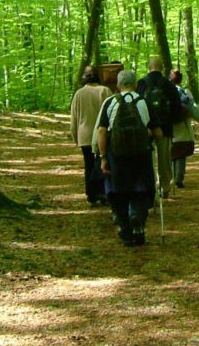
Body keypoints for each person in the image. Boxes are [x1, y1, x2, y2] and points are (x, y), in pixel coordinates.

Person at [96, 69, 164, 246]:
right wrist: (149, 133)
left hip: (116, 155)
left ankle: (125, 231)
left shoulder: (109, 102)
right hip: (141, 155)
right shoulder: (144, 102)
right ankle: (138, 220)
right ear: (134, 84)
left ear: (118, 85)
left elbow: (102, 131)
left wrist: (103, 157)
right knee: (142, 190)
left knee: (118, 193)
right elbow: (158, 132)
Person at [136, 56, 183, 199]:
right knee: (164, 159)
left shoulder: (141, 84)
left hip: (147, 128)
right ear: (162, 68)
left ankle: (151, 188)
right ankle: (165, 187)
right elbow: (177, 109)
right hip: (165, 128)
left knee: (148, 159)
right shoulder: (169, 85)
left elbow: (136, 105)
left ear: (148, 68)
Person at [70, 66, 109, 206]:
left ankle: (91, 196)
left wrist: (75, 137)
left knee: (89, 165)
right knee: (102, 164)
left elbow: (73, 119)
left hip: (85, 135)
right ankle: (103, 193)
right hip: (101, 134)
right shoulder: (105, 91)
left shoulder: (79, 94)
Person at [169, 69, 199, 188]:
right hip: (183, 125)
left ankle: (172, 177)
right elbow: (193, 108)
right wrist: (198, 117)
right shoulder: (185, 91)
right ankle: (179, 177)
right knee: (181, 153)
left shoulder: (166, 92)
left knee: (172, 152)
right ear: (181, 79)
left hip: (169, 126)